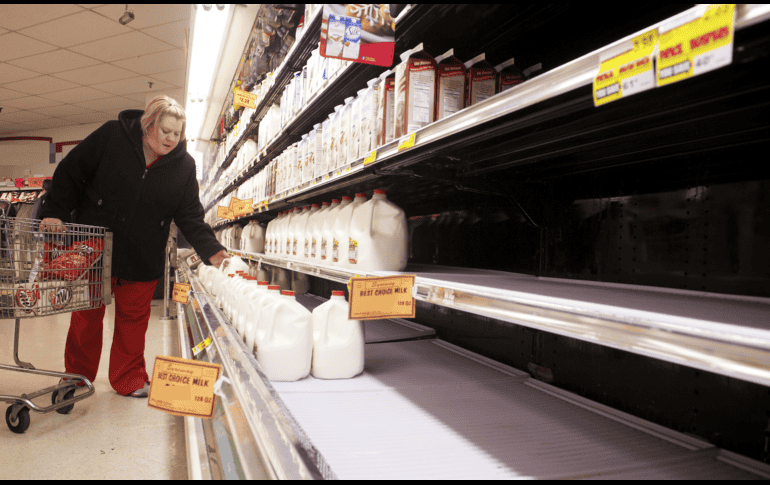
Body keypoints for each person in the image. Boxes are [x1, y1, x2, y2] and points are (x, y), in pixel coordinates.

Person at [40, 95, 228, 398]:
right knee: (86, 318)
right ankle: (76, 377)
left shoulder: (183, 166)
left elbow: (190, 214)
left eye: (177, 133)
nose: (171, 139)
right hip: (93, 248)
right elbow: (71, 171)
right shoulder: (112, 136)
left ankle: (128, 378)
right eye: (165, 131)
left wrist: (211, 249)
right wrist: (55, 211)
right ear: (148, 125)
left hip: (143, 254)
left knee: (133, 321)